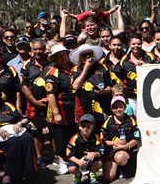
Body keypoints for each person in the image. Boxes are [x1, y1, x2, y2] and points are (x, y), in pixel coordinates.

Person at [44, 44, 77, 174]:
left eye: (63, 54)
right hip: (60, 107)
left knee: (73, 132)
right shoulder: (52, 73)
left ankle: (73, 157)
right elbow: (50, 94)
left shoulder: (74, 68)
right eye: (58, 56)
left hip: (75, 107)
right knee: (60, 134)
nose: (62, 58)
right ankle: (61, 159)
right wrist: (56, 113)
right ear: (54, 59)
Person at [21, 38, 53, 167]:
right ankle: (39, 157)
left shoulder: (52, 63)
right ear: (31, 50)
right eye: (35, 49)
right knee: (37, 131)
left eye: (40, 49)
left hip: (51, 104)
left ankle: (56, 155)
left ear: (45, 49)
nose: (38, 51)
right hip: (34, 105)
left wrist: (49, 99)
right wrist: (35, 102)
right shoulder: (27, 65)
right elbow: (23, 86)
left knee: (53, 130)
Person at [71, 43, 118, 128]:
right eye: (84, 55)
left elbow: (111, 86)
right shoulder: (76, 69)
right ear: (80, 57)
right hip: (84, 109)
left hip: (101, 108)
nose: (88, 57)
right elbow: (75, 86)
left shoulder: (102, 67)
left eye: (90, 54)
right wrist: (86, 69)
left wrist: (104, 91)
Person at [102, 97, 139, 182]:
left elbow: (136, 138)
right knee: (108, 177)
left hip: (126, 150)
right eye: (115, 107)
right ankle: (117, 169)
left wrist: (127, 146)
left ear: (125, 107)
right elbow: (104, 141)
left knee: (120, 158)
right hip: (111, 151)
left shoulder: (131, 121)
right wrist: (116, 143)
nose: (118, 109)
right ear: (111, 108)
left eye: (120, 107)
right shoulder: (107, 123)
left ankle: (127, 167)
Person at [66, 113, 104, 184]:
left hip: (91, 160)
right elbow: (68, 154)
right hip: (77, 160)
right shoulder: (75, 138)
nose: (85, 128)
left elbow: (101, 150)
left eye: (88, 126)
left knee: (99, 163)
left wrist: (94, 153)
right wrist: (79, 162)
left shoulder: (96, 137)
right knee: (71, 168)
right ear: (79, 127)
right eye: (83, 126)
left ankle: (92, 173)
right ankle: (77, 174)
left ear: (93, 127)